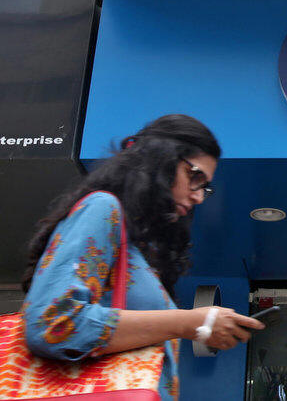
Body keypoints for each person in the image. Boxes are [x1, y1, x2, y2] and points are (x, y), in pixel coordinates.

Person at [21, 114, 263, 400]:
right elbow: (52, 324)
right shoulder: (103, 208)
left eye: (204, 187)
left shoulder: (137, 247)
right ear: (160, 158)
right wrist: (188, 323)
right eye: (194, 176)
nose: (198, 197)